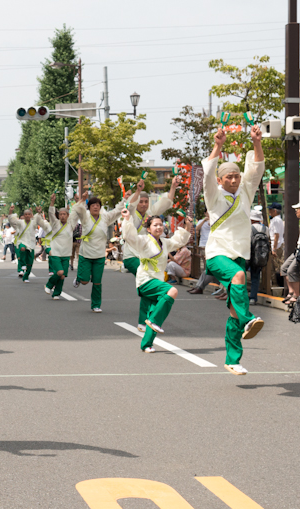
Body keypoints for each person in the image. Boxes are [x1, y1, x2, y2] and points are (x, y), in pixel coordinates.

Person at [201, 125, 265, 375]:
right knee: (239, 279)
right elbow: (207, 174)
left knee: (233, 312)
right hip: (217, 254)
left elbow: (256, 170)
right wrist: (218, 145)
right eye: (228, 176)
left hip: (239, 255)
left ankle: (232, 359)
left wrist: (256, 142)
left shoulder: (246, 193)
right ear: (220, 179)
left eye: (236, 176)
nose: (234, 179)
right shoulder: (213, 195)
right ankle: (249, 317)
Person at [119, 210, 191, 352]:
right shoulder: (143, 240)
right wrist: (127, 218)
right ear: (148, 228)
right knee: (173, 290)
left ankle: (146, 344)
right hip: (145, 281)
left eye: (161, 225)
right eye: (155, 225)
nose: (159, 227)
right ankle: (152, 322)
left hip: (157, 281)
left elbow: (179, 241)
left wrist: (187, 226)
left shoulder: (165, 242)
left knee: (154, 312)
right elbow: (129, 236)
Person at [72, 192, 126, 312]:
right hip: (86, 254)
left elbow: (117, 211)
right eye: (93, 205)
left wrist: (125, 198)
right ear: (89, 207)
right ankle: (79, 278)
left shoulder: (105, 218)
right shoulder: (85, 217)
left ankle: (96, 305)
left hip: (99, 255)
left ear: (100, 207)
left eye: (97, 205)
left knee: (97, 282)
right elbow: (77, 209)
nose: (95, 207)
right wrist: (82, 200)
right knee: (85, 281)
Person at [43, 196, 80, 299]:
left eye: (64, 214)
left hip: (66, 253)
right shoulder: (55, 223)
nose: (62, 216)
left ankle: (56, 294)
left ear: (68, 215)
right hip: (55, 252)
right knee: (60, 272)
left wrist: (78, 203)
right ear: (58, 215)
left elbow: (76, 214)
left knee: (62, 276)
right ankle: (49, 284)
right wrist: (52, 202)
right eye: (60, 214)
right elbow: (51, 213)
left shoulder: (71, 224)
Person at [8, 205, 49, 282]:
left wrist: (38, 212)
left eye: (28, 214)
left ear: (31, 215)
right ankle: (23, 264)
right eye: (25, 214)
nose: (27, 215)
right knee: (22, 248)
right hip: (22, 241)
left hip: (31, 244)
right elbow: (12, 221)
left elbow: (39, 221)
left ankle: (26, 277)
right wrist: (10, 211)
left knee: (30, 262)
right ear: (23, 215)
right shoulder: (20, 222)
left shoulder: (33, 223)